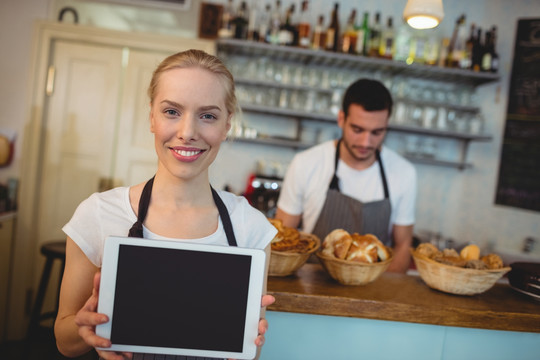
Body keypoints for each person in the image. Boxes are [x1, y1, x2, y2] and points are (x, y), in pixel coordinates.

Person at [54, 49, 277, 360]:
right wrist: (86, 330)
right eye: (172, 112)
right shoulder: (99, 214)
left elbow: (251, 354)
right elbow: (64, 342)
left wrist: (249, 344)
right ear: (152, 118)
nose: (187, 133)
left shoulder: (250, 227)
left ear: (227, 125)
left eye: (208, 116)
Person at [275, 78, 416, 273]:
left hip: (373, 291)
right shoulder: (306, 164)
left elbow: (403, 246)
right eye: (357, 130)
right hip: (311, 285)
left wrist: (382, 294)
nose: (366, 142)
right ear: (341, 119)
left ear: (386, 125)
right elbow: (281, 238)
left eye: (377, 132)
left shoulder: (404, 173)